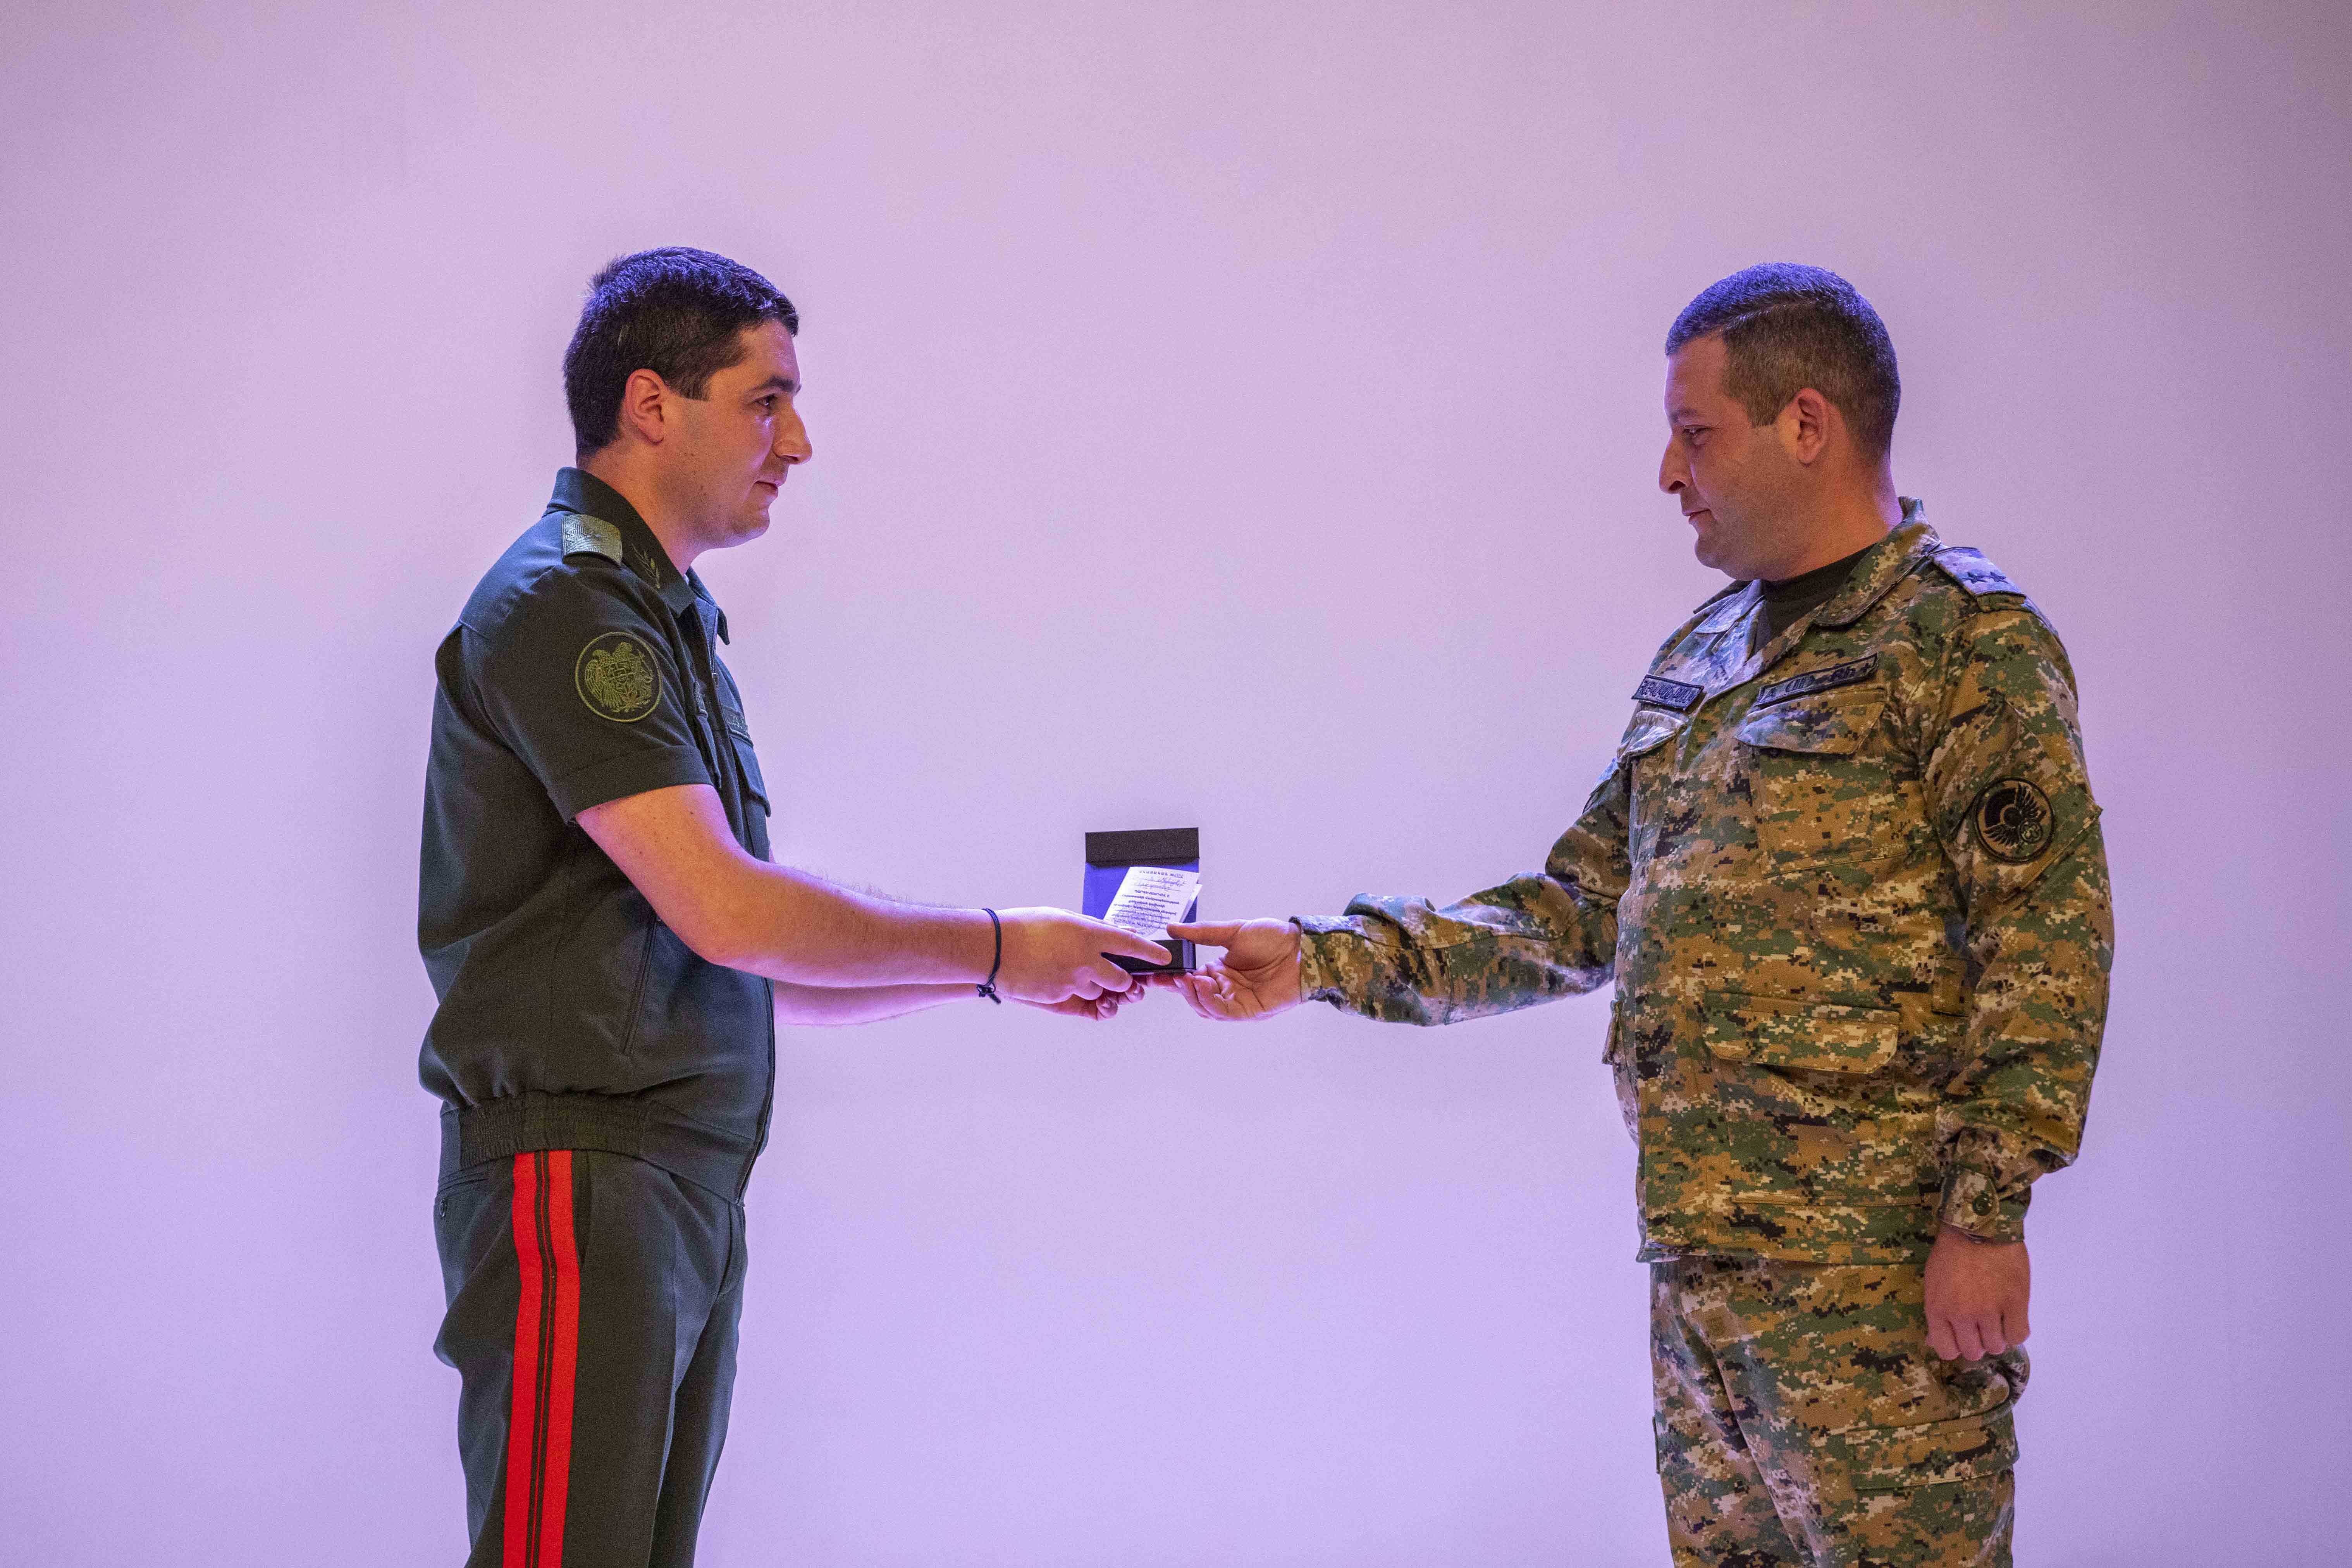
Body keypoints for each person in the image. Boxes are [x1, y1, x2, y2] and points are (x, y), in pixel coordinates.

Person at [1164, 264, 2112, 1566]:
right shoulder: (1707, 656)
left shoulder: (1963, 642)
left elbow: (2045, 940)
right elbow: (1577, 911)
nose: (1671, 473)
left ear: (1807, 424)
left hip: (1879, 1284)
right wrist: (1321, 960)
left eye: (1695, 432)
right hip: (1702, 1276)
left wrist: (1988, 1215)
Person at [417, 246, 1165, 1568]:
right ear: (652, 405)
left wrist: (1011, 967)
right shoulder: (567, 601)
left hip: (671, 1182)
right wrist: (998, 946)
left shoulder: (662, 616)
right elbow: (732, 911)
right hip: (587, 1176)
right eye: (767, 402)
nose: (798, 443)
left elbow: (742, 958)